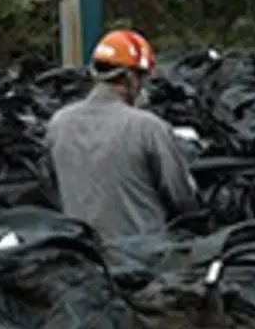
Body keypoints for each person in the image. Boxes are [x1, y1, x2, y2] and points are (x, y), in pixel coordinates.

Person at [45, 29, 198, 238]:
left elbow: (53, 188)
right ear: (130, 78)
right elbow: (182, 198)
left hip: (84, 256)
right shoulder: (148, 128)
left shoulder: (58, 124)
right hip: (145, 258)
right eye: (141, 77)